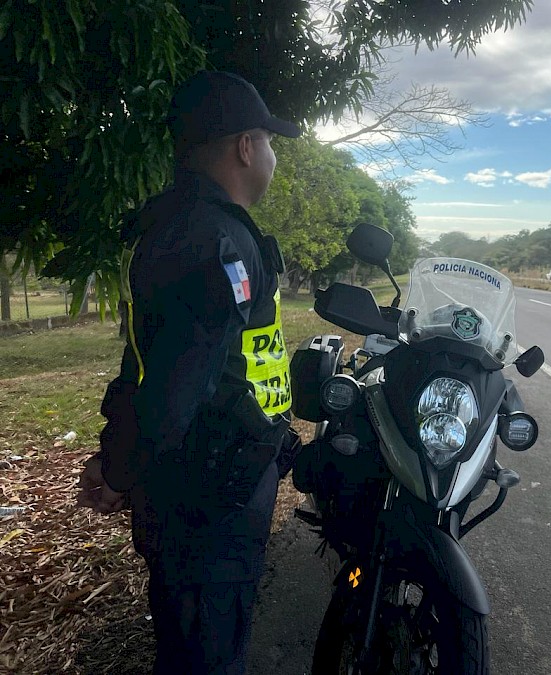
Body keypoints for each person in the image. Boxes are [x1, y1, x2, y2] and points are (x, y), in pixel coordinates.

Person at [75, 70, 302, 674]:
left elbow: (175, 359)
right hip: (205, 502)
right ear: (244, 146)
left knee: (209, 642)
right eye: (270, 141)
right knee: (204, 657)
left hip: (224, 481)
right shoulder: (205, 239)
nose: (274, 157)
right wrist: (120, 469)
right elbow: (172, 388)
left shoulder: (205, 229)